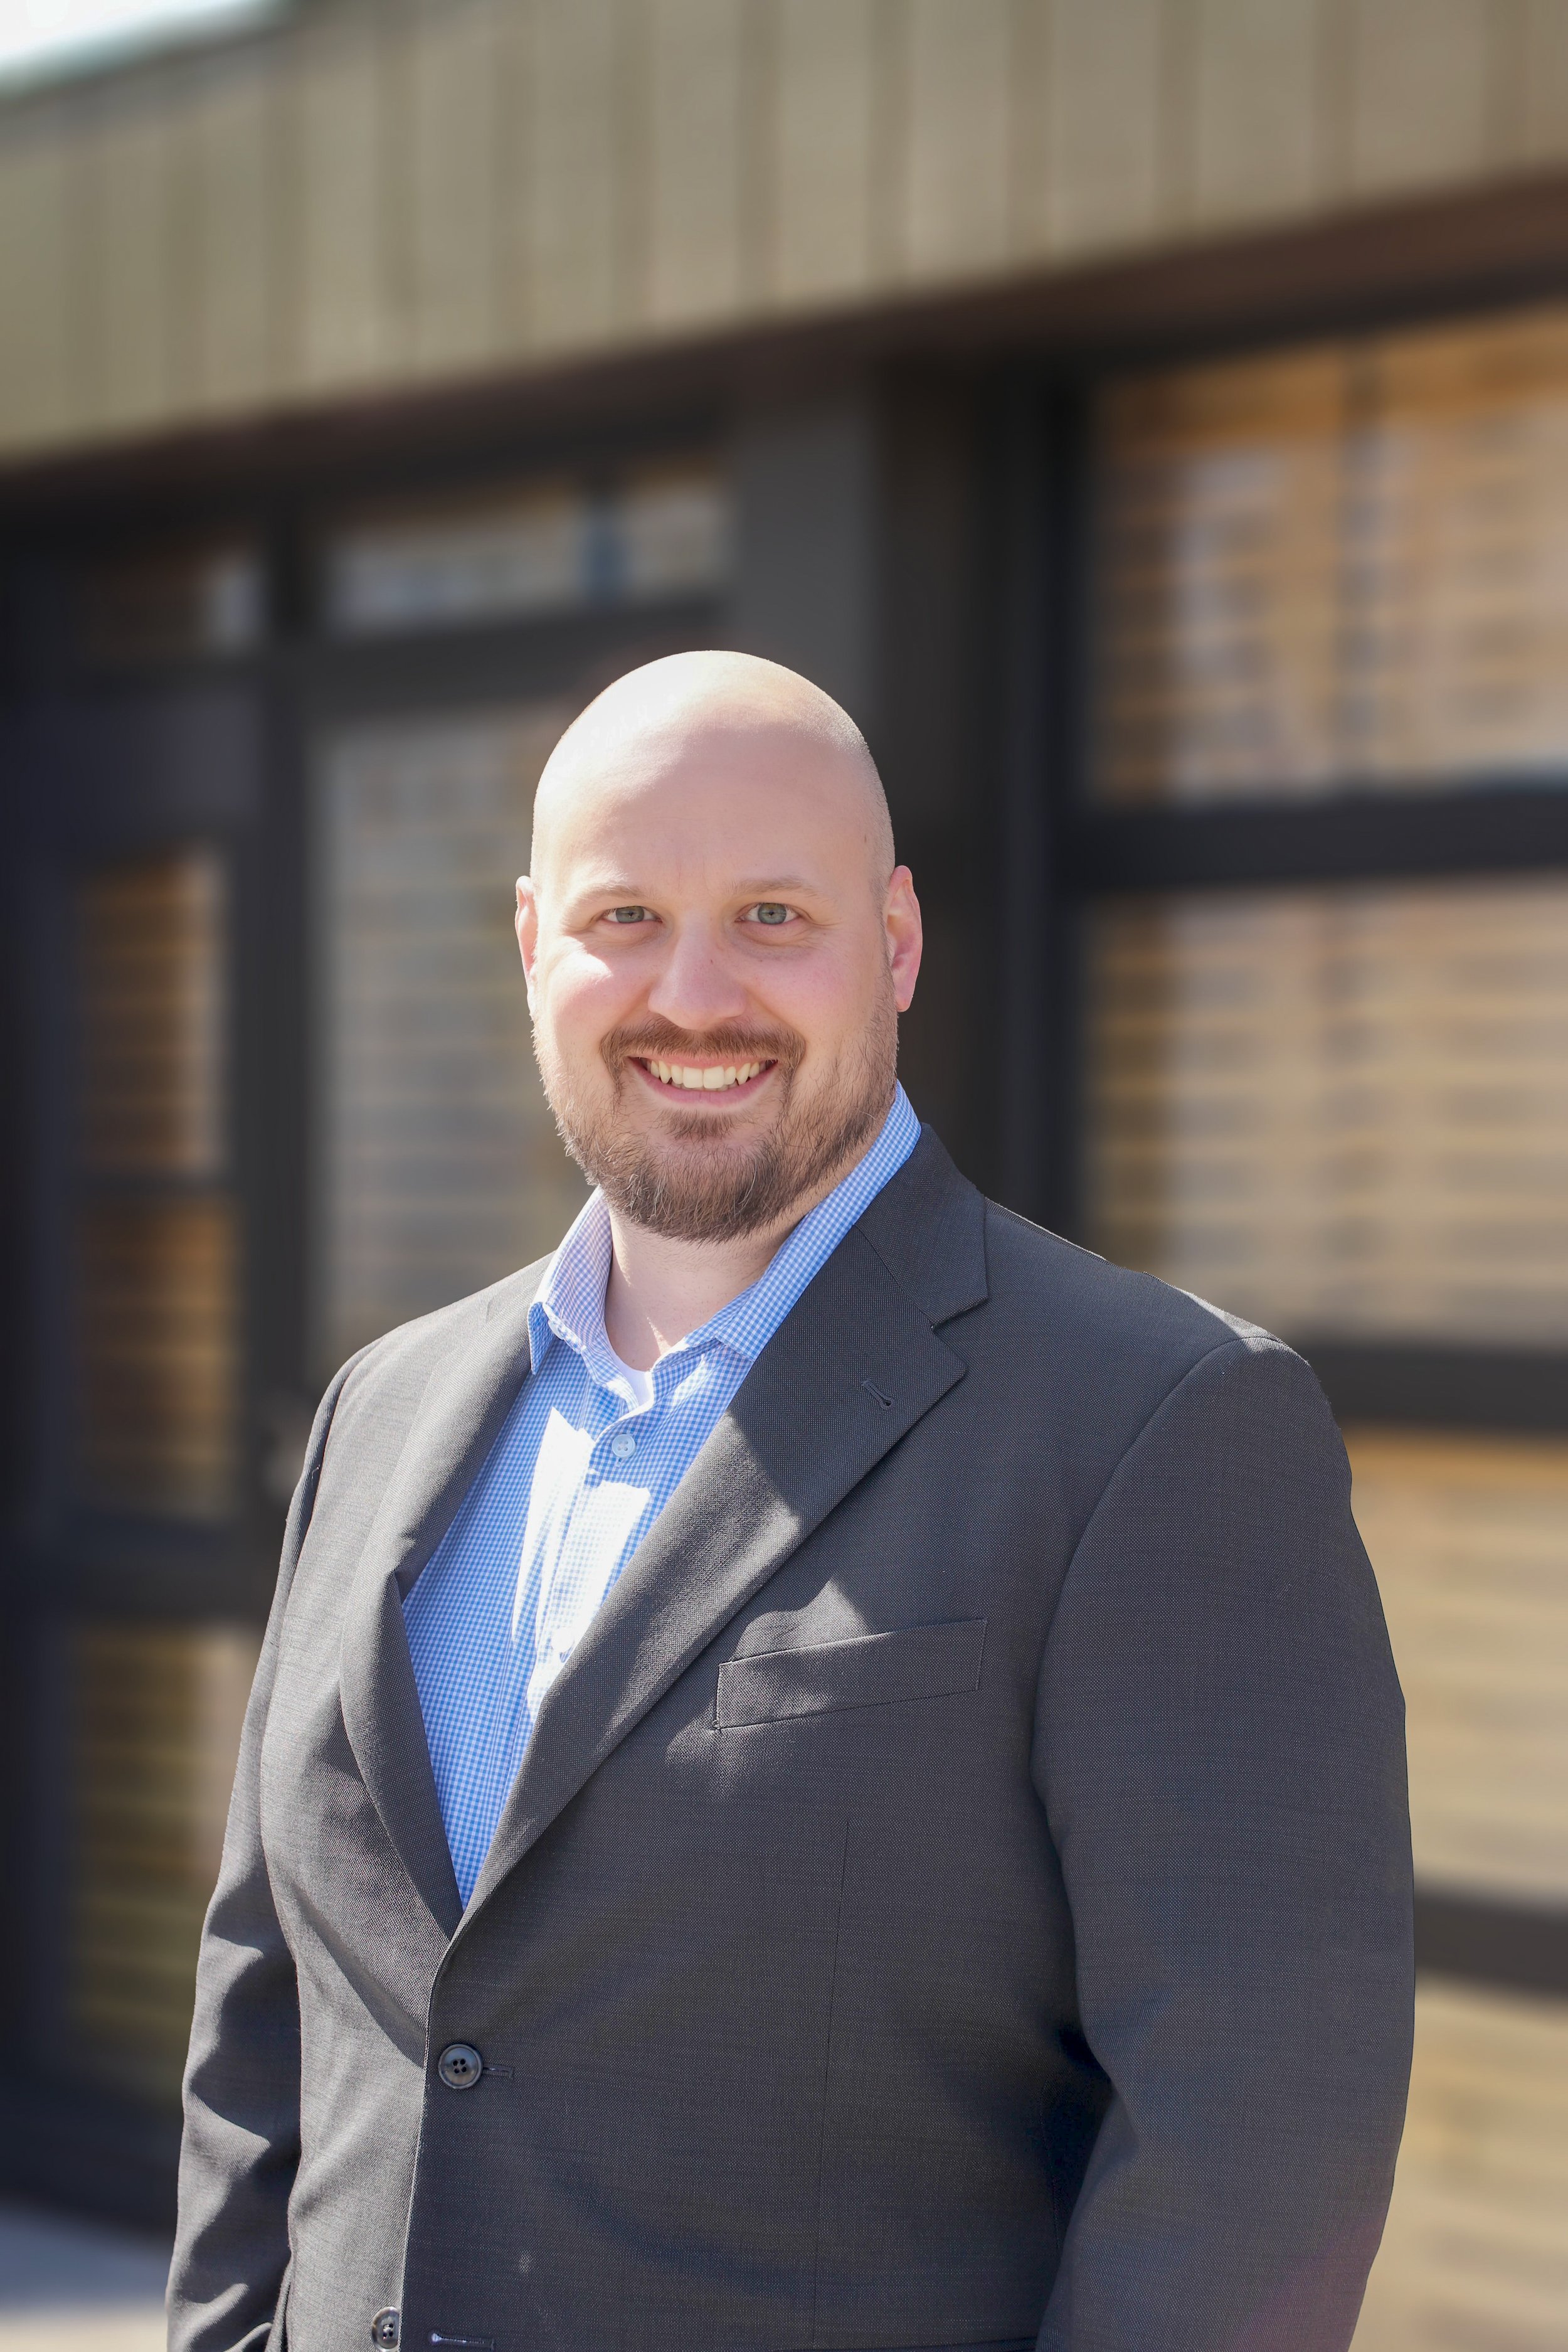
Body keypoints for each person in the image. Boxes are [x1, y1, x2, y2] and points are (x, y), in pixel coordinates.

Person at [168, 651, 1412, 2352]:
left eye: (769, 916)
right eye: (623, 919)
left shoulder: (1158, 1425)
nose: (692, 995)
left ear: (893, 942)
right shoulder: (380, 1416)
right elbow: (267, 2026)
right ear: (532, 945)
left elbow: (1250, 2148)